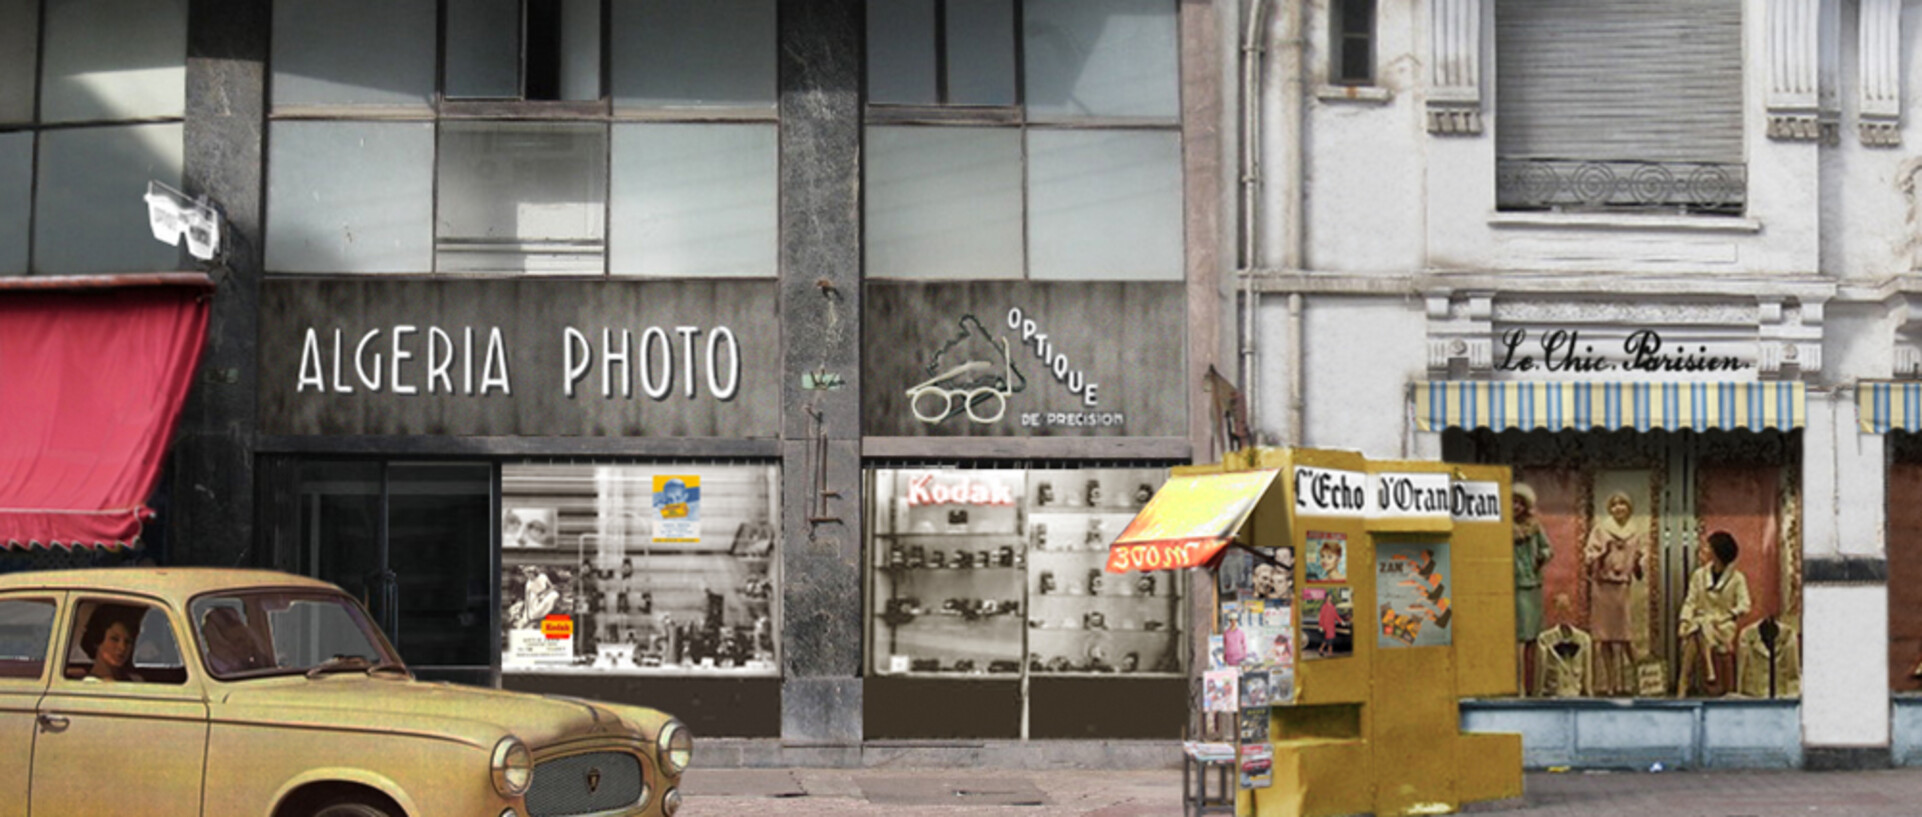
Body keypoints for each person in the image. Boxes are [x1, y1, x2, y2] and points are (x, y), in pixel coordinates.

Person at [1584, 490, 1645, 696]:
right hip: (1603, 587)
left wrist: (1637, 563)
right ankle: (1611, 684)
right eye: (1614, 504)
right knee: (1606, 639)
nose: (1619, 508)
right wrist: (1603, 553)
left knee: (1626, 637)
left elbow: (1640, 562)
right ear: (1610, 508)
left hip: (1621, 588)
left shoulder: (1635, 533)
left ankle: (1639, 680)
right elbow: (1589, 556)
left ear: (1629, 508)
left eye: (1623, 504)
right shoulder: (1601, 530)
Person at [1677, 531, 1751, 697]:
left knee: (1697, 630)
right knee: (1700, 626)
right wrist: (1684, 621)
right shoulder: (1699, 575)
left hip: (1723, 626)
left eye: (1707, 547)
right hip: (1702, 623)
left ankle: (1682, 685)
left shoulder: (1737, 578)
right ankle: (1705, 669)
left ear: (1717, 551)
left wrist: (1727, 615)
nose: (1704, 549)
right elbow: (1690, 601)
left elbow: (1745, 605)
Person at [1511, 483, 1553, 694]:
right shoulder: (1503, 529)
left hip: (1534, 584)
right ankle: (1518, 685)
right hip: (1515, 585)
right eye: (1513, 502)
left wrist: (1542, 557)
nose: (1516, 507)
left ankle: (1535, 685)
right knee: (1520, 637)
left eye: (1519, 503)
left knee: (1534, 638)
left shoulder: (1535, 527)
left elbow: (1547, 548)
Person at [81, 604, 145, 682]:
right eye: (114, 639)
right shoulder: (88, 685)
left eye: (128, 641)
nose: (122, 647)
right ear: (97, 639)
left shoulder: (136, 680)